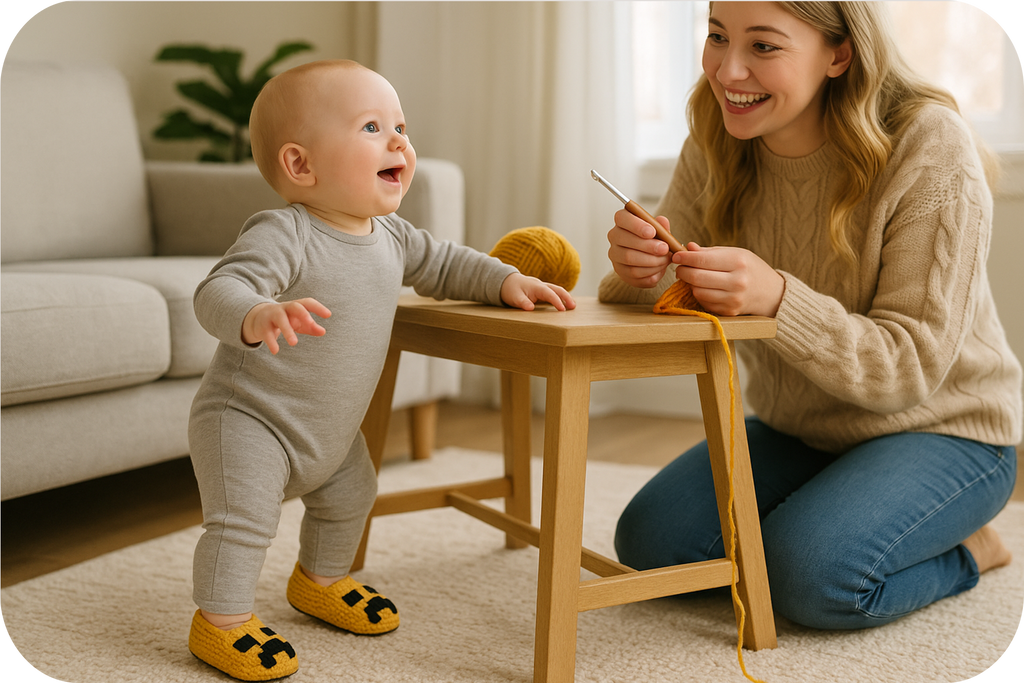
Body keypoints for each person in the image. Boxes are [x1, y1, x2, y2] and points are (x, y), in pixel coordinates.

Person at [601, 2, 1021, 631]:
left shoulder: (930, 144)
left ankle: (970, 550)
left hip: (945, 430)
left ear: (839, 53)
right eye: (717, 36)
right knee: (652, 548)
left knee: (810, 577)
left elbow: (907, 369)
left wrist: (777, 298)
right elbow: (666, 288)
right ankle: (831, 510)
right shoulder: (716, 133)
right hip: (801, 425)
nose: (727, 70)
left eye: (763, 46)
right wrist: (638, 269)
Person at [186, 59, 575, 680]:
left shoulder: (391, 235)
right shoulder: (285, 232)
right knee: (244, 522)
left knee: (352, 496)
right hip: (251, 422)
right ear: (300, 165)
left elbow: (447, 265)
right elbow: (218, 288)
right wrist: (258, 312)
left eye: (401, 126)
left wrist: (506, 281)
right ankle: (221, 620)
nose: (399, 142)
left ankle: (320, 579)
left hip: (330, 433)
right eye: (372, 127)